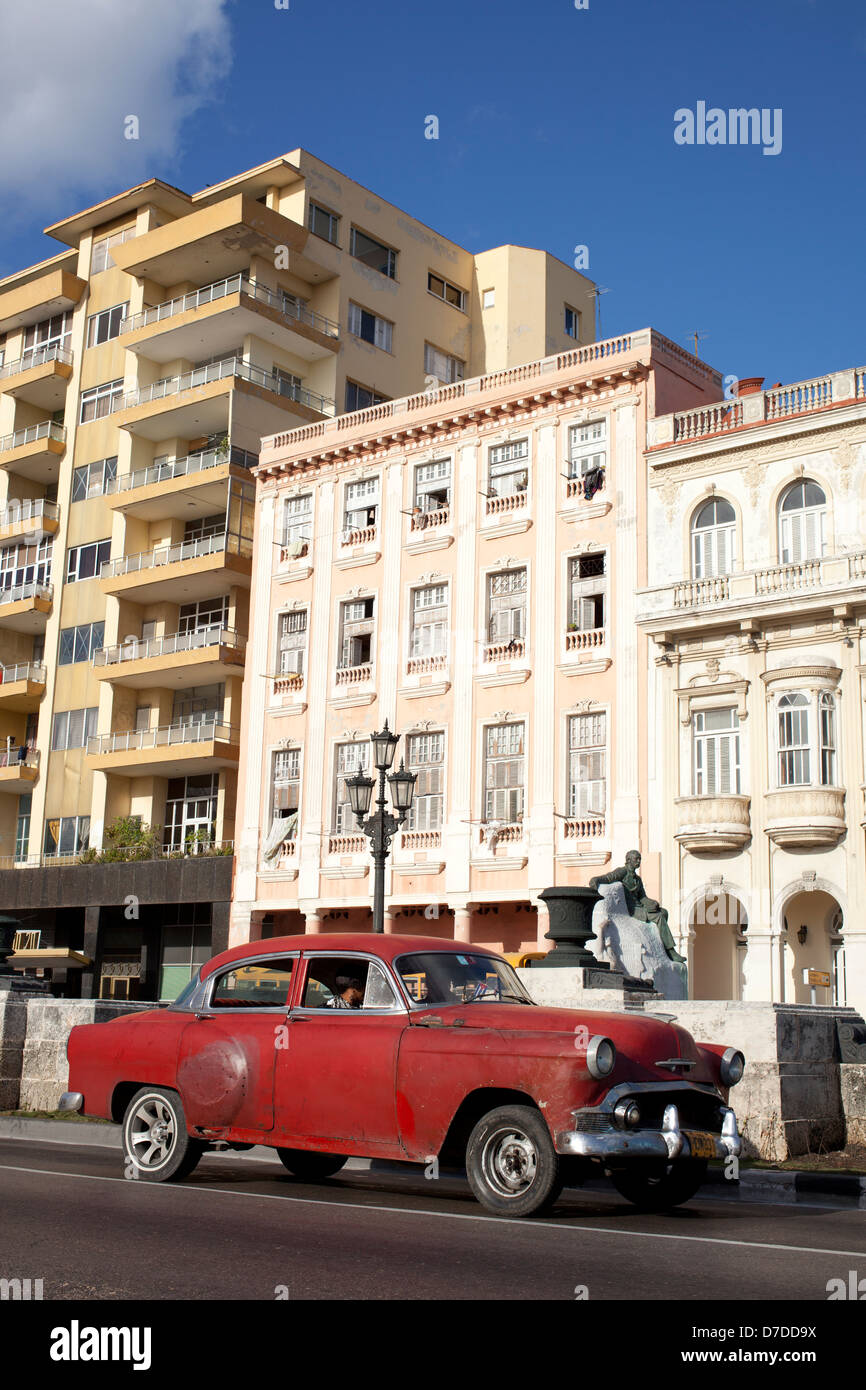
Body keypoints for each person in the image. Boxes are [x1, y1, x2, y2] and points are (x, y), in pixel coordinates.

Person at [590, 850, 686, 965]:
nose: (639, 861)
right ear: (629, 860)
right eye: (636, 859)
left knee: (664, 912)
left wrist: (652, 903)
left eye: (640, 859)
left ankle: (663, 944)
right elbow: (608, 877)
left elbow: (643, 898)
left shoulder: (638, 879)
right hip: (632, 909)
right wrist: (595, 880)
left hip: (640, 906)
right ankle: (671, 951)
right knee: (660, 917)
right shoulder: (622, 872)